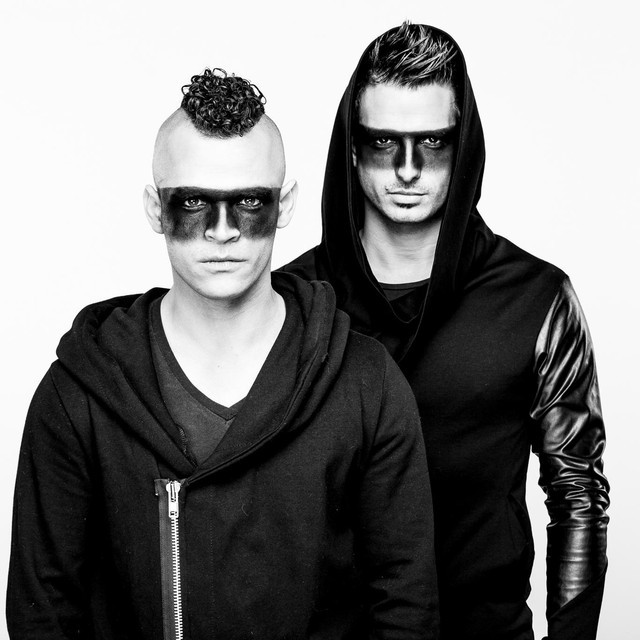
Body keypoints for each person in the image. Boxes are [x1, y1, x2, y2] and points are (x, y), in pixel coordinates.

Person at [7, 68, 439, 640]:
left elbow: (406, 607)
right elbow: (43, 613)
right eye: (192, 202)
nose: (222, 231)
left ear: (284, 205)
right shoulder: (75, 397)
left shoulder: (366, 385)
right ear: (154, 208)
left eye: (249, 202)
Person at [281, 23, 609, 640]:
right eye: (383, 141)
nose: (407, 169)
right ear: (351, 147)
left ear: (465, 147)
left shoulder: (536, 298)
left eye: (432, 141)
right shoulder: (292, 303)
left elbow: (578, 495)